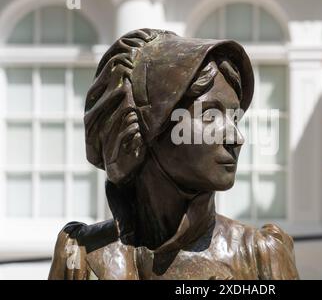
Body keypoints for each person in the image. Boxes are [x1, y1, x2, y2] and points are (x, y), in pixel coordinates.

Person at [48, 28, 299, 280]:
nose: (236, 138)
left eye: (234, 118)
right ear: (147, 126)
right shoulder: (80, 254)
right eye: (211, 115)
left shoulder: (259, 256)